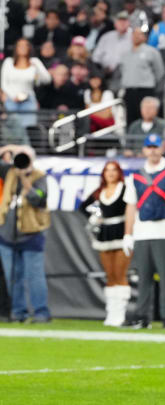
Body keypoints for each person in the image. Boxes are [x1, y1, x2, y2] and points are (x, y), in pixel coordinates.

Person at [122, 134, 165, 329]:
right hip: (142, 232)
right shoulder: (135, 176)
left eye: (156, 146)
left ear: (163, 147)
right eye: (149, 146)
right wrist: (128, 234)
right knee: (143, 278)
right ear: (144, 149)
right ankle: (142, 316)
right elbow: (131, 206)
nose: (152, 150)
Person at [0, 145, 50, 323]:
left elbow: (38, 198)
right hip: (7, 234)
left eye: (25, 157)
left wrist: (25, 179)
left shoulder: (40, 177)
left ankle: (41, 312)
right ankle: (18, 312)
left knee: (34, 276)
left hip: (31, 234)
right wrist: (8, 149)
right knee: (13, 276)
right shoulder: (9, 172)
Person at [78, 161, 129, 327]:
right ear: (103, 174)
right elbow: (83, 207)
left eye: (114, 170)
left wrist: (130, 232)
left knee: (120, 274)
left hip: (121, 232)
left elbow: (133, 209)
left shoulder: (125, 188)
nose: (110, 173)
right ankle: (111, 313)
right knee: (110, 276)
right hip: (104, 234)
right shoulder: (100, 191)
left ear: (118, 172)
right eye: (107, 170)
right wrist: (94, 218)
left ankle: (120, 314)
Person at [119, 27, 165, 127]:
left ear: (144, 37)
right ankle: (131, 141)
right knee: (130, 119)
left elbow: (159, 72)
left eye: (139, 34)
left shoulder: (152, 52)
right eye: (134, 34)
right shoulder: (125, 54)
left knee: (146, 118)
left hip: (145, 90)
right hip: (129, 91)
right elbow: (122, 71)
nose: (135, 37)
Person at [1, 38, 51, 129]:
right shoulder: (8, 62)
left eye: (25, 45)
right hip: (11, 100)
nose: (23, 48)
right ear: (16, 48)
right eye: (20, 45)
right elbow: (3, 83)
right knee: (13, 129)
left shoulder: (35, 61)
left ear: (29, 48)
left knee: (28, 128)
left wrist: (37, 67)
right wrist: (13, 97)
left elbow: (47, 79)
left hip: (29, 100)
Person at [92, 11, 132, 76]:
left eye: (124, 21)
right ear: (115, 23)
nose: (122, 23)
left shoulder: (134, 37)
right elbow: (96, 57)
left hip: (128, 73)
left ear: (129, 23)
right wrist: (103, 68)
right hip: (108, 74)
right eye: (120, 21)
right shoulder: (106, 37)